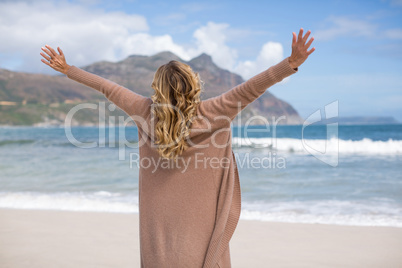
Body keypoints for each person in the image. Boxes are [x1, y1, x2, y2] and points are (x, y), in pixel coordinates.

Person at [40, 28, 314, 268]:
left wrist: (68, 70)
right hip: (201, 237)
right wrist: (289, 64)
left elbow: (107, 88)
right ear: (194, 85)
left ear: (157, 89)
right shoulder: (214, 112)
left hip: (157, 238)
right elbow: (251, 88)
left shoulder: (142, 110)